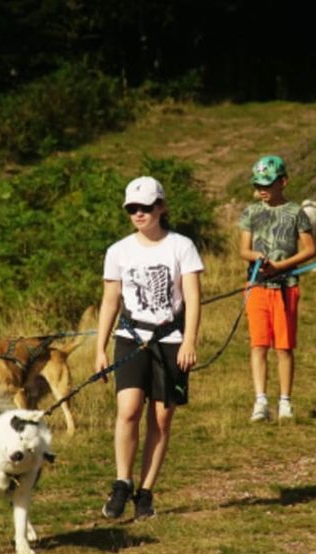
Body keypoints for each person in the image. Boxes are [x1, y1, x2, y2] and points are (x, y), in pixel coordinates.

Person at [95, 175, 203, 520]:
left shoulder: (181, 246)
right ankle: (121, 483)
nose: (139, 214)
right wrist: (100, 348)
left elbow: (193, 297)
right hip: (130, 337)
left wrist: (189, 340)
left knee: (161, 417)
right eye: (132, 209)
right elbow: (110, 302)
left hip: (170, 339)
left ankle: (146, 492)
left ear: (161, 207)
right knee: (128, 409)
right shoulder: (118, 251)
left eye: (145, 207)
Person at [238, 155, 316, 422]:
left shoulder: (296, 213)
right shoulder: (251, 212)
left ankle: (285, 401)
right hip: (257, 286)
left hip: (286, 287)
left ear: (283, 182)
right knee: (258, 344)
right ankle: (260, 400)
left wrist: (282, 265)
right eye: (258, 184)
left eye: (268, 184)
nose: (263, 189)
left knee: (284, 346)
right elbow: (243, 249)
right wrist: (257, 258)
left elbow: (310, 249)